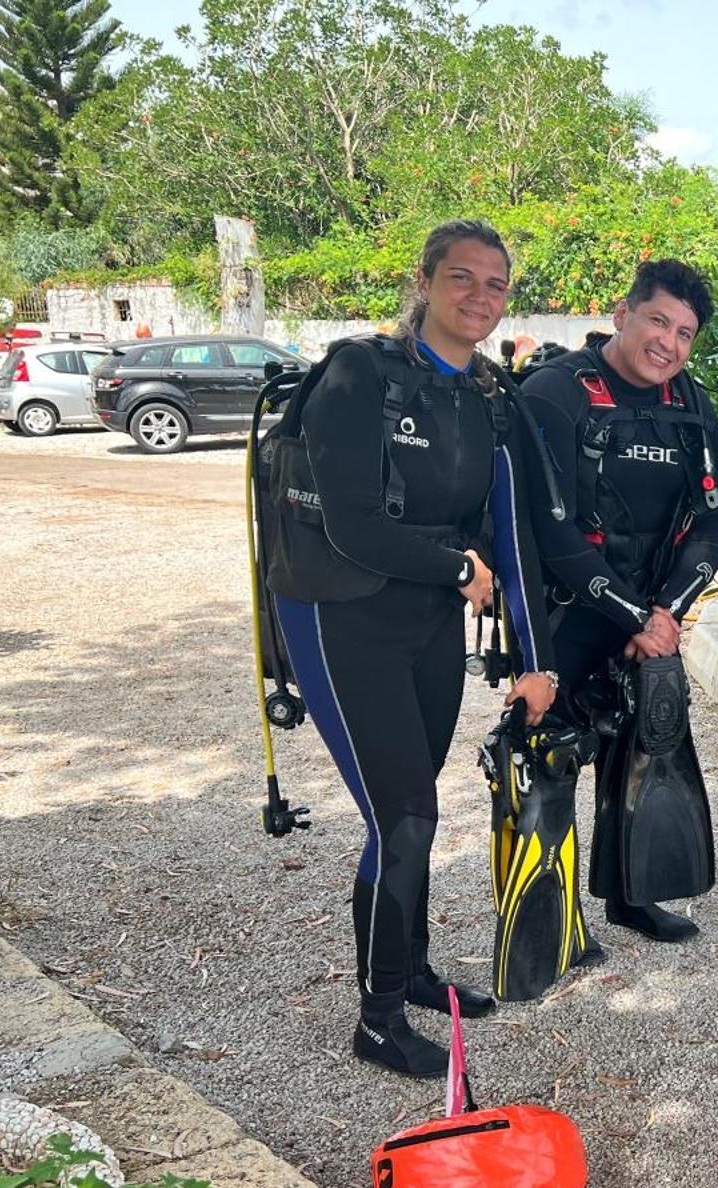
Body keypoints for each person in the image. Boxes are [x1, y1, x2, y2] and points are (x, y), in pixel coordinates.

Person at [269, 220, 557, 1077]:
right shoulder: (360, 374)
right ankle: (379, 1014)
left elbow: (511, 533)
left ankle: (415, 969)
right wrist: (451, 563)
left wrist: (534, 657)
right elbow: (353, 523)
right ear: (426, 282)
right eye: (461, 278)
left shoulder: (489, 396)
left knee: (413, 806)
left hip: (427, 618)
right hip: (337, 610)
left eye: (496, 284)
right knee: (403, 816)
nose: (479, 297)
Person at [519, 259, 718, 943]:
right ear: (623, 314)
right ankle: (545, 920)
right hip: (567, 613)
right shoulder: (556, 393)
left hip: (650, 613)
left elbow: (713, 522)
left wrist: (663, 612)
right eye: (658, 321)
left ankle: (631, 895)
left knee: (646, 741)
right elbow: (548, 530)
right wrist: (635, 616)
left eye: (686, 333)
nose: (669, 342)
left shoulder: (689, 404)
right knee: (549, 759)